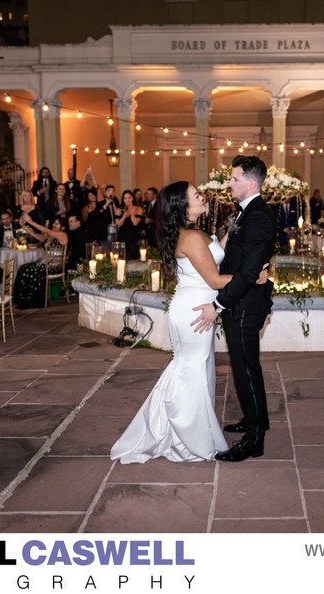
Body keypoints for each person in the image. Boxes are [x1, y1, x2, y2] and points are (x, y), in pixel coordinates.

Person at [111, 181, 252, 463]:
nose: (203, 197)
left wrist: (233, 228)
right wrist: (252, 278)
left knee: (194, 369)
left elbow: (215, 254)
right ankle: (190, 440)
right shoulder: (190, 238)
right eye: (196, 195)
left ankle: (183, 431)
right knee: (192, 372)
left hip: (197, 306)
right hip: (194, 311)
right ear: (183, 207)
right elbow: (214, 279)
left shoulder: (196, 234)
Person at [192, 155, 277, 462]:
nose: (229, 183)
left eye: (235, 178)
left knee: (245, 370)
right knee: (245, 368)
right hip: (239, 303)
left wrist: (218, 304)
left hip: (244, 304)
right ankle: (257, 419)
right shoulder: (245, 212)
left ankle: (254, 439)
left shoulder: (258, 217)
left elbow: (249, 274)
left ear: (251, 183)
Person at [13, 214, 69, 309]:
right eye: (54, 223)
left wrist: (31, 221)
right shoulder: (51, 236)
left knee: (33, 270)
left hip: (54, 265)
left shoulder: (63, 235)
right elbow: (36, 235)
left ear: (62, 227)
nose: (54, 225)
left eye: (57, 224)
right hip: (44, 262)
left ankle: (33, 301)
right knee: (23, 268)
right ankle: (22, 300)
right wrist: (24, 226)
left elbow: (46, 230)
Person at [115, 189, 144, 258]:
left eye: (129, 198)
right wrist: (124, 216)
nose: (127, 200)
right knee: (122, 256)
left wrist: (131, 212)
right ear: (123, 199)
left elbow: (135, 223)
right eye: (125, 198)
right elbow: (117, 224)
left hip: (133, 236)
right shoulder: (119, 209)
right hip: (122, 236)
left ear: (133, 198)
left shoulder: (138, 209)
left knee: (133, 256)